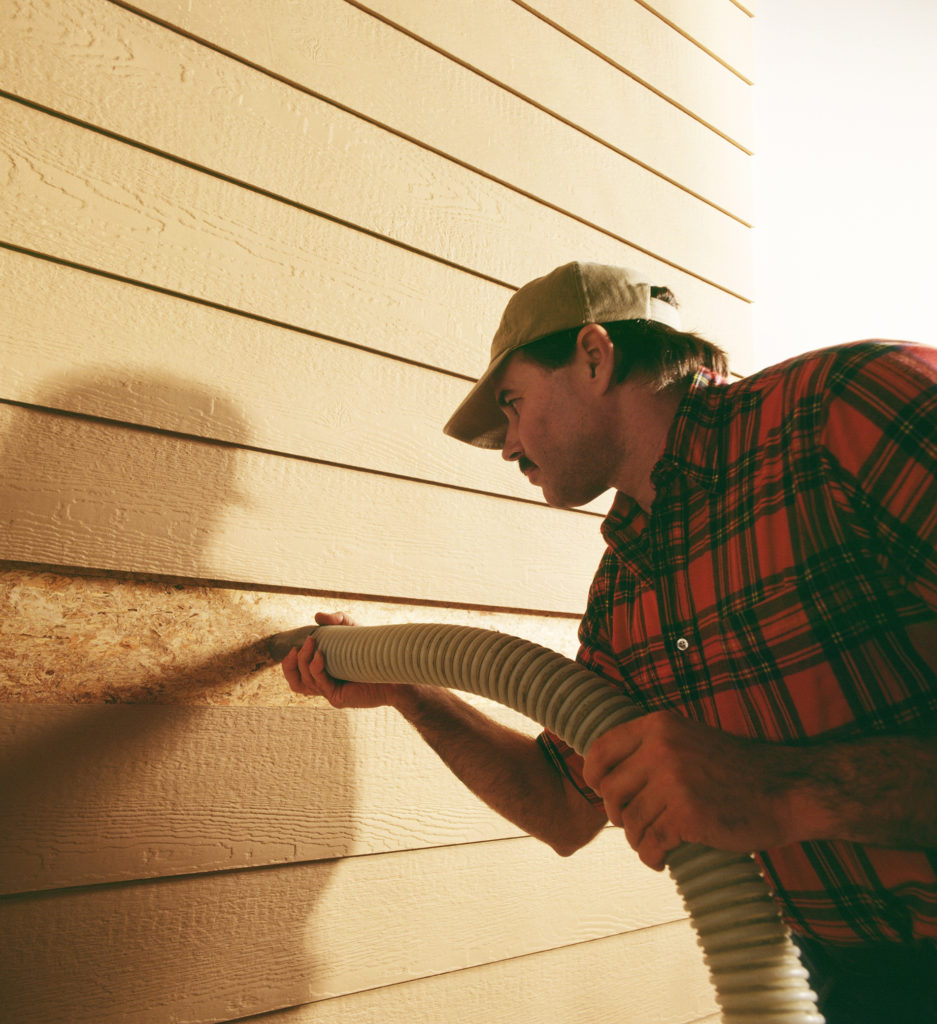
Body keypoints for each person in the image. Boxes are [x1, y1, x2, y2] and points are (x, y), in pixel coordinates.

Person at [282, 262, 937, 1022]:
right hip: (859, 981)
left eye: (512, 403)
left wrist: (786, 789)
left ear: (593, 357)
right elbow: (562, 806)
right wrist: (411, 692)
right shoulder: (628, 587)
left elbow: (765, 788)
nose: (508, 447)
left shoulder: (847, 409)